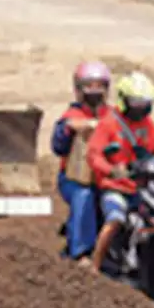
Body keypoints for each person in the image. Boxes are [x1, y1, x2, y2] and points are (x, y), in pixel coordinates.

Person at [88, 71, 154, 275]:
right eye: (136, 103)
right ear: (124, 100)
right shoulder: (109, 124)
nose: (140, 108)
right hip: (116, 188)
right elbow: (94, 155)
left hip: (142, 186)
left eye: (144, 103)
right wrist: (111, 170)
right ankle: (94, 266)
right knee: (115, 220)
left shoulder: (147, 125)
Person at [51, 61, 112, 262]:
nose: (94, 91)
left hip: (108, 176)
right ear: (78, 89)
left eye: (99, 86)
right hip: (74, 179)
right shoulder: (71, 116)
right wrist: (70, 129)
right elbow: (57, 146)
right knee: (83, 195)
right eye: (89, 86)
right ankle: (81, 253)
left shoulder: (113, 115)